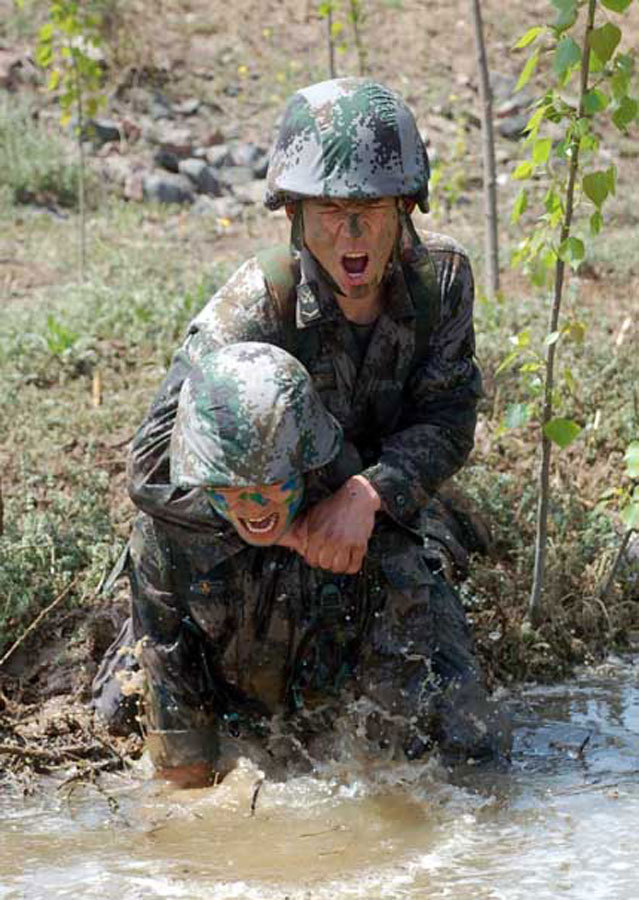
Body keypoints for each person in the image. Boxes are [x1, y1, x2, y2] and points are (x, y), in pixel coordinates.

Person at [93, 77, 511, 786]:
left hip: (376, 519)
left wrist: (366, 494)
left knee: (459, 738)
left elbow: (447, 415)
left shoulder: (439, 280)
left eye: (370, 210)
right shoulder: (251, 309)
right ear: (290, 212)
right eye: (327, 211)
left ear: (405, 206)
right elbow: (151, 474)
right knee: (145, 711)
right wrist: (287, 527)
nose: (350, 236)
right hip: (239, 513)